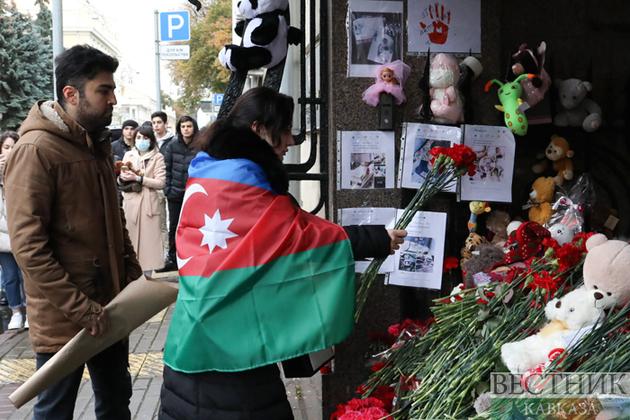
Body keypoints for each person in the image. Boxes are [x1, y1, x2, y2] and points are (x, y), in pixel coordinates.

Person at [158, 87, 406, 420]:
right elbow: (301, 239)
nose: (291, 140)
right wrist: (375, 239)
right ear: (260, 130)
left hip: (189, 345)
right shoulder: (244, 184)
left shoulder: (207, 172)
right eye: (286, 130)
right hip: (235, 362)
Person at [3, 44, 142, 419]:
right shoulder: (35, 149)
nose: (113, 99)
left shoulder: (95, 142)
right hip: (66, 318)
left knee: (116, 403)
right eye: (103, 90)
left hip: (109, 308)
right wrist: (83, 310)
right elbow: (29, 248)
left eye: (112, 89)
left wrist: (130, 274)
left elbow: (112, 218)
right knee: (54, 411)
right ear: (70, 94)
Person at [118, 125, 166, 275]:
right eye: (138, 137)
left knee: (148, 249)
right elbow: (121, 181)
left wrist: (139, 178)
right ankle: (132, 281)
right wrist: (122, 178)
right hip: (131, 205)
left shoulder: (157, 157)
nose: (141, 141)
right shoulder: (128, 155)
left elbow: (160, 183)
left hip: (148, 207)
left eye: (145, 138)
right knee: (130, 245)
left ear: (151, 140)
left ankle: (147, 282)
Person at [156, 115, 199, 273]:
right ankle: (173, 259)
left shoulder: (200, 145)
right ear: (179, 129)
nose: (186, 129)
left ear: (194, 127)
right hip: (174, 194)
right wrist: (167, 189)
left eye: (189, 126)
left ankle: (193, 258)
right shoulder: (173, 145)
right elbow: (166, 168)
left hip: (193, 195)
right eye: (183, 127)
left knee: (193, 227)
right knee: (173, 227)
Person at [0, 131, 26, 330]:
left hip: (22, 233)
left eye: (13, 147)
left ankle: (29, 312)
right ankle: (15, 312)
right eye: (6, 147)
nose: (9, 151)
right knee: (9, 277)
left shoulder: (23, 168)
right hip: (2, 236)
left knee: (26, 275)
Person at [151, 111, 174, 264]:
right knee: (159, 221)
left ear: (165, 123)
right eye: (153, 123)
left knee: (171, 223)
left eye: (159, 122)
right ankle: (161, 251)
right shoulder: (150, 141)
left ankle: (168, 252)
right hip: (155, 185)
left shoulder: (173, 141)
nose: (156, 125)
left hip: (170, 185)